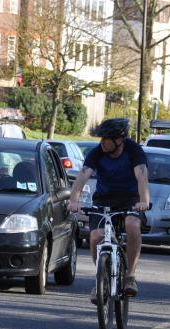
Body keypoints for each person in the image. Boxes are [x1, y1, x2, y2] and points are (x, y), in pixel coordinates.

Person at [67, 118, 150, 301]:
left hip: (130, 199)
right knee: (96, 236)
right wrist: (74, 200)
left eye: (107, 139)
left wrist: (144, 200)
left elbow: (142, 177)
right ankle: (101, 280)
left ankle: (129, 276)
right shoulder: (97, 152)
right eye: (101, 139)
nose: (102, 143)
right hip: (105, 199)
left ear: (119, 140)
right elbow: (82, 177)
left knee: (132, 224)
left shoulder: (133, 150)